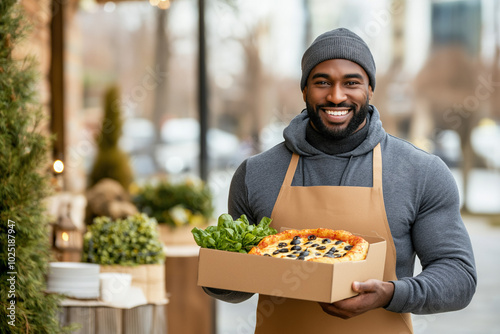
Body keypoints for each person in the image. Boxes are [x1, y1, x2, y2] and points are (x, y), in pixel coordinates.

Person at [204, 28, 477, 333]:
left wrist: (391, 293)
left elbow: (458, 276)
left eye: (351, 83)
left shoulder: (420, 171)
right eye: (322, 82)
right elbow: (235, 286)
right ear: (304, 90)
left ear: (370, 90)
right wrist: (216, 272)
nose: (336, 96)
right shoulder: (255, 173)